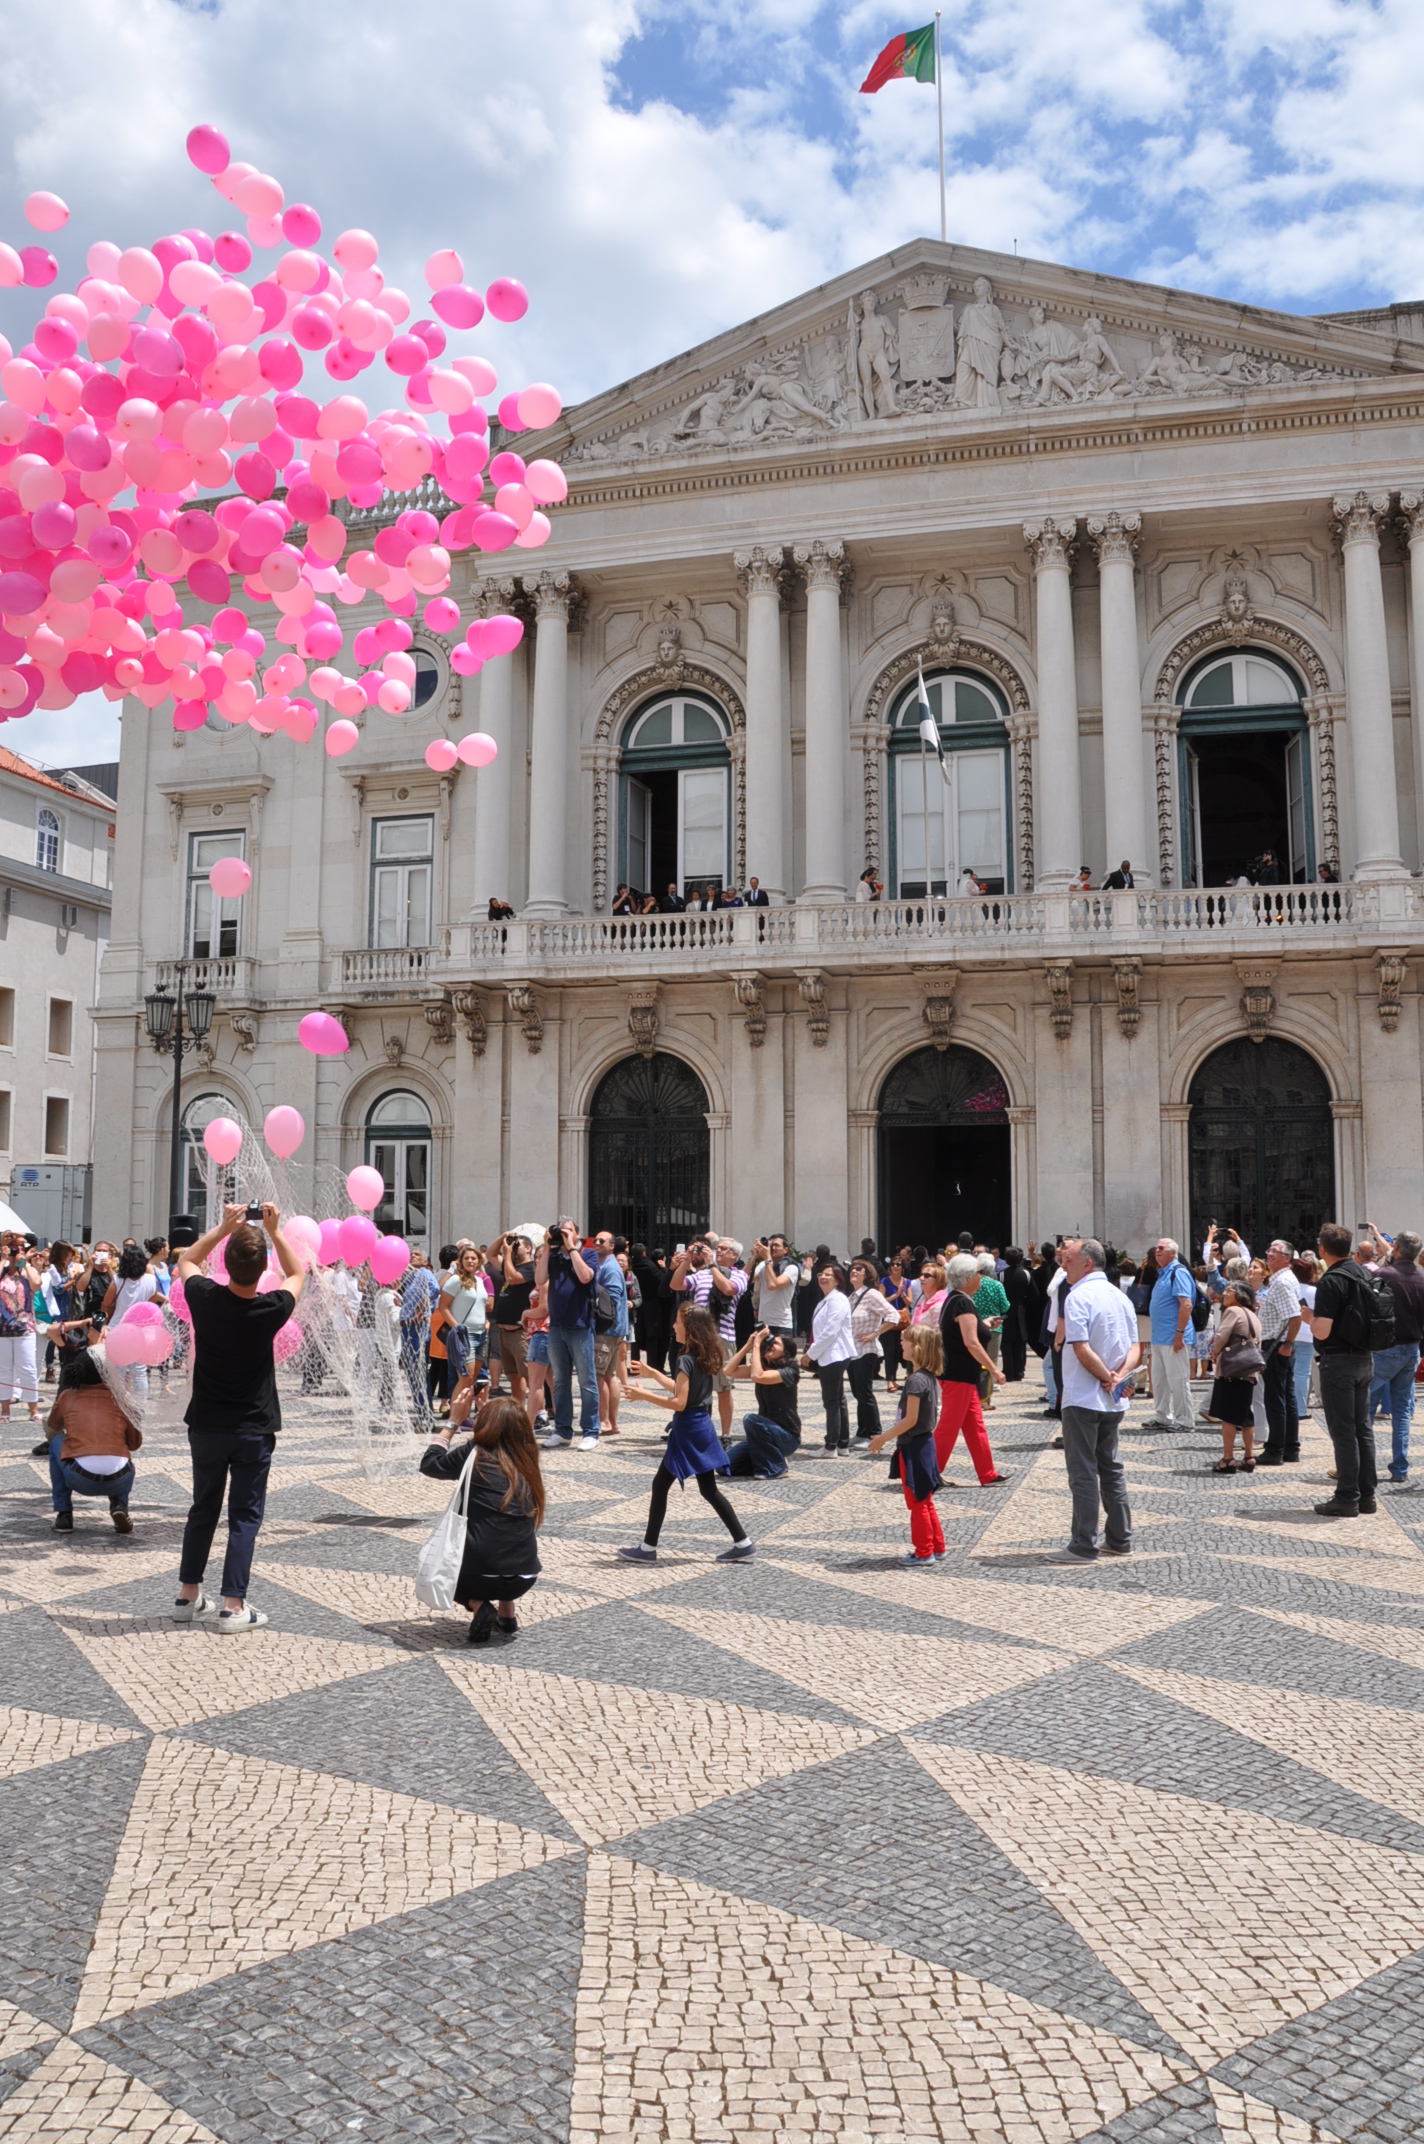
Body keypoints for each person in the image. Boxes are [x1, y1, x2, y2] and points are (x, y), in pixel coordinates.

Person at [173, 1203, 304, 1632]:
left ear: (225, 1264)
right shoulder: (270, 1308)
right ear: (261, 1266)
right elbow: (296, 1274)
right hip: (252, 1426)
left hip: (208, 1424)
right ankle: (233, 1604)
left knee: (202, 1508)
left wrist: (223, 1227)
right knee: (245, 1515)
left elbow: (187, 1260)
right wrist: (276, 1231)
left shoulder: (205, 1297)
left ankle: (188, 1594)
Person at [621, 1304, 753, 1561]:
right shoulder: (703, 1356)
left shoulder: (684, 1359)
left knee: (660, 1485)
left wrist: (643, 1394)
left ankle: (648, 1549)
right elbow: (685, 1391)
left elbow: (679, 1402)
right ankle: (744, 1543)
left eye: (678, 1321)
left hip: (688, 1431)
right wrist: (654, 1374)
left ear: (690, 1329)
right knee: (707, 1489)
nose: (673, 1326)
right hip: (702, 1426)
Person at [420, 1389, 545, 1644]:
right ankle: (507, 1614)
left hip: (478, 1577)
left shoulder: (476, 1452)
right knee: (503, 1539)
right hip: (525, 1576)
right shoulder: (528, 1458)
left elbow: (430, 1463)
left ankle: (479, 1605)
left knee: (445, 1567)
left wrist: (453, 1421)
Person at [1056, 1236, 1140, 1561]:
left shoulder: (1078, 1297)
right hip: (1112, 1399)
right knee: (1111, 1467)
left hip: (1083, 1396)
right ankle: (1120, 1539)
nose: (1064, 1265)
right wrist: (1119, 1377)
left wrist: (1108, 1377)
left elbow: (1080, 1347)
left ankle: (1083, 1544)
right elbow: (1135, 1347)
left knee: (1083, 1471)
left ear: (1087, 1263)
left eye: (1070, 1260)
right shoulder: (1121, 1298)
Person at [1310, 1223, 1380, 1518]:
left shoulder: (1331, 1281)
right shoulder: (1365, 1273)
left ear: (1322, 1249)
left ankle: (1346, 1496)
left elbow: (1323, 1331)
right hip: (1366, 1358)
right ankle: (1367, 1495)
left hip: (1338, 1361)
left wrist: (1309, 1319)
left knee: (1343, 1429)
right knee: (1362, 1427)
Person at [46, 1341, 142, 1535]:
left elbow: (53, 1427)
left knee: (56, 1443)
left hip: (79, 1478)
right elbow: (134, 1444)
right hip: (120, 1479)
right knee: (121, 1450)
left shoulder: (67, 1396)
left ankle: (64, 1515)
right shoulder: (122, 1399)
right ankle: (119, 1505)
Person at [869, 1323, 945, 1566]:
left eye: (905, 1340)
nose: (901, 1343)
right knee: (925, 1499)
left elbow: (910, 1419)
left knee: (917, 1502)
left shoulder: (915, 1381)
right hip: (925, 1444)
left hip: (914, 1446)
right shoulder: (928, 1378)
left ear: (918, 1347)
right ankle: (937, 1546)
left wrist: (883, 1437)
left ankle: (924, 1552)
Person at [936, 1253, 1008, 1484]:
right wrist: (995, 1370)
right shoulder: (963, 1302)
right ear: (968, 1278)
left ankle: (987, 1473)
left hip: (961, 1375)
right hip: (959, 1375)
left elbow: (968, 1332)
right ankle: (929, 1472)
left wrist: (985, 1323)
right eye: (978, 1273)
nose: (981, 1276)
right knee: (948, 1428)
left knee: (975, 1427)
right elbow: (971, 1342)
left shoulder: (956, 1299)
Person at [1366, 1227, 1424, 1484]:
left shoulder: (1384, 1275)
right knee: (1401, 1411)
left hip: (1384, 1348)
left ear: (1396, 1248)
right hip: (1411, 1348)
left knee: (1365, 1408)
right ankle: (1399, 1468)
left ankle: (1363, 1465)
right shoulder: (1422, 1279)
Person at [537, 1219, 600, 1450]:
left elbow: (586, 1277)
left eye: (568, 1231)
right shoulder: (553, 1257)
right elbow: (540, 1279)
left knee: (587, 1380)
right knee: (560, 1382)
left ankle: (591, 1431)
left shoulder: (589, 1254)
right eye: (561, 1231)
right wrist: (546, 1248)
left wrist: (572, 1247)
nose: (563, 1235)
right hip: (556, 1327)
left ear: (578, 1234)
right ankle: (563, 1430)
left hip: (581, 1326)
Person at [723, 1326, 801, 1476]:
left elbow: (758, 1377)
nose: (771, 1345)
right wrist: (748, 1345)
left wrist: (758, 1345)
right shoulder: (763, 1367)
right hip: (763, 1435)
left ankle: (776, 1467)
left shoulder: (790, 1371)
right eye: (770, 1343)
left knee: (751, 1420)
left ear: (786, 1351)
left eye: (776, 1344)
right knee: (724, 1467)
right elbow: (728, 1371)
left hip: (787, 1436)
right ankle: (771, 1459)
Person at [1204, 1277, 1262, 1471]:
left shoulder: (1232, 1311)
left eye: (1229, 1290)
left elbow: (1221, 1336)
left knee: (1228, 1415)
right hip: (1249, 1370)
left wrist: (1215, 1352)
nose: (1224, 1294)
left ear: (1239, 1295)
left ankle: (1228, 1458)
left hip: (1231, 1368)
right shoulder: (1253, 1315)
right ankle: (1249, 1456)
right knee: (1246, 1414)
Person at [1255, 1241, 1302, 1465]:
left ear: (1287, 1257)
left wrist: (1288, 1344)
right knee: (1287, 1398)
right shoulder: (1283, 1279)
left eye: (1275, 1251)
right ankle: (1290, 1448)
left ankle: (1275, 1450)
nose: (1269, 1254)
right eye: (1269, 1250)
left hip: (1277, 1346)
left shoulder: (1282, 1281)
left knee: (1275, 1399)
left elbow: (1295, 1316)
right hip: (1279, 1345)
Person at [1146, 1235, 1196, 1430]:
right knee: (1159, 1379)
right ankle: (1162, 1415)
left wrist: (1179, 1333)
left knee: (1178, 1379)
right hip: (1159, 1336)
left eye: (1162, 1248)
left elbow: (1186, 1304)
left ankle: (1185, 1419)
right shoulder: (1162, 1273)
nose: (1157, 1250)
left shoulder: (1178, 1273)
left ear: (1173, 1253)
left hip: (1174, 1336)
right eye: (1156, 1247)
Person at [845, 1256, 897, 1444]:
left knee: (865, 1392)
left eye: (859, 1269)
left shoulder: (872, 1295)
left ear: (867, 1275)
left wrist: (876, 1333)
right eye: (853, 1268)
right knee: (858, 1393)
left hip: (866, 1350)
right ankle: (862, 1430)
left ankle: (874, 1432)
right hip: (852, 1351)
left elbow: (893, 1315)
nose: (854, 1271)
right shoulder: (852, 1297)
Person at [806, 1262, 856, 1452]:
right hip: (831, 1354)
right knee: (838, 1399)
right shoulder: (826, 1300)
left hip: (834, 1354)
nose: (823, 1277)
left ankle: (830, 1446)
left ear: (837, 1280)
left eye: (828, 1275)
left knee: (831, 1402)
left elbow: (830, 1332)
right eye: (820, 1274)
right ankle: (842, 1444)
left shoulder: (838, 1300)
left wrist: (810, 1354)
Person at [489, 1232, 536, 1409]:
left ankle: (539, 1414)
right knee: (514, 1375)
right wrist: (503, 1237)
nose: (513, 1248)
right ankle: (518, 1412)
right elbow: (490, 1255)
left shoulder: (531, 1268)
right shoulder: (509, 1265)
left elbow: (512, 1278)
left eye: (518, 1246)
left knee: (530, 1376)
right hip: (504, 1332)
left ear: (529, 1248)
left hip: (520, 1332)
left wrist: (507, 1254)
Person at [0, 1241, 42, 1430]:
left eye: (20, 1249)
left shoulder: (27, 1272)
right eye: (14, 1249)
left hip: (25, 1329)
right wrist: (5, 1258)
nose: (17, 1253)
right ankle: (5, 1410)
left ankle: (33, 1408)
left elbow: (37, 1285)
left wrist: (24, 1263)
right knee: (4, 1370)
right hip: (2, 1330)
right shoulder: (2, 1270)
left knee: (28, 1369)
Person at [592, 1228, 630, 1436]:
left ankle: (605, 1421)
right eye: (596, 1240)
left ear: (612, 1246)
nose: (597, 1243)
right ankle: (612, 1423)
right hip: (615, 1328)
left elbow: (612, 1297)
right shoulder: (607, 1265)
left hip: (607, 1329)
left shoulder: (610, 1267)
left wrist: (599, 1315)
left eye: (602, 1241)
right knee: (609, 1375)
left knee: (600, 1375)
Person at [970, 1254, 1010, 1408]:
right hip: (995, 1326)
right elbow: (1005, 1306)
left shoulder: (974, 1283)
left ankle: (974, 1394)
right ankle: (985, 1398)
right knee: (990, 1362)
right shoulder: (997, 1285)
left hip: (975, 1326)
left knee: (976, 1360)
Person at [750, 1233, 797, 1335]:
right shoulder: (763, 1265)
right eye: (770, 1244)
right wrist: (754, 1256)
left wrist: (767, 1259)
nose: (772, 1248)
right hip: (763, 1323)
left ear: (786, 1250)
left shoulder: (791, 1268)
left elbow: (773, 1285)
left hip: (782, 1325)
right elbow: (745, 1280)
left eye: (776, 1245)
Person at [1291, 1252, 1319, 1420]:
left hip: (1290, 1334)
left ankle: (1290, 1405)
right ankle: (1300, 1409)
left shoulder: (1289, 1289)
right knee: (1302, 1373)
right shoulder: (1314, 1291)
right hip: (1307, 1334)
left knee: (1289, 1373)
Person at [1000, 1248, 1032, 1383]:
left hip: (1004, 1312)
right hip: (1020, 1309)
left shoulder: (1000, 1275)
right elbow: (1033, 1293)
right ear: (1020, 1259)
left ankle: (1008, 1371)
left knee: (1006, 1341)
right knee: (1020, 1341)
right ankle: (1019, 1371)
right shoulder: (1025, 1274)